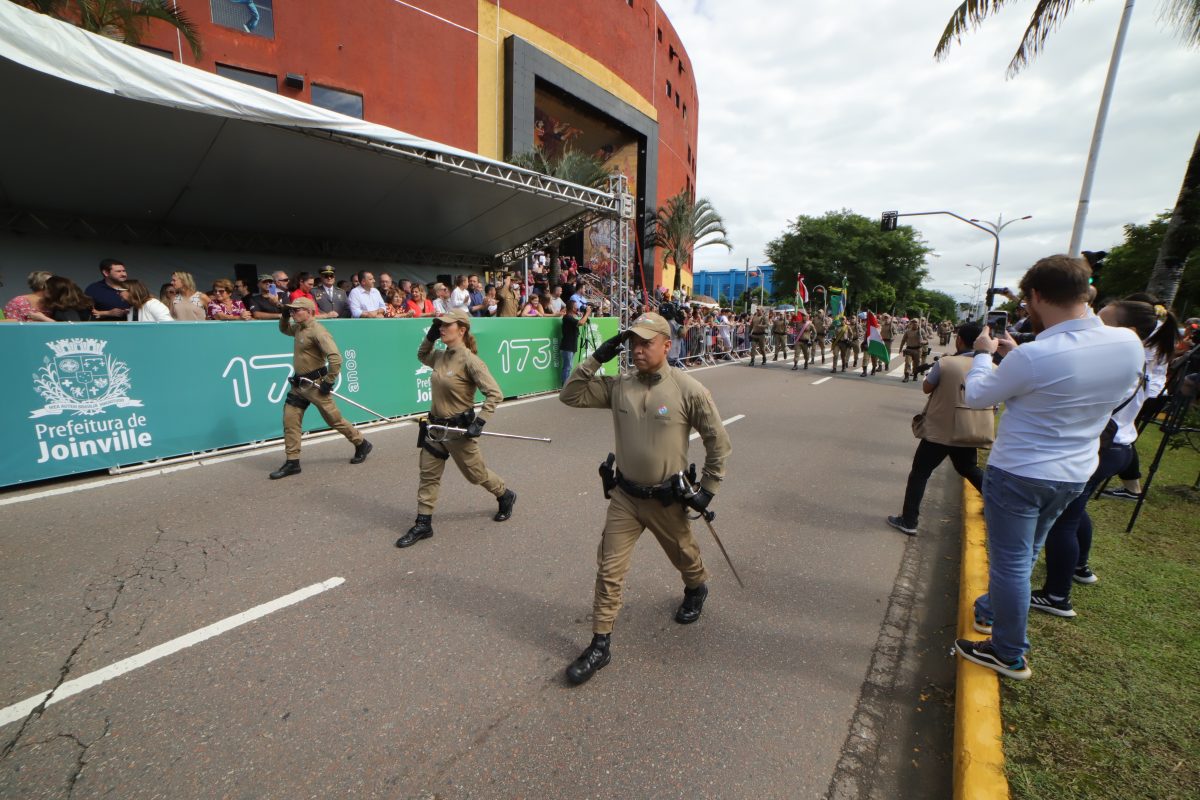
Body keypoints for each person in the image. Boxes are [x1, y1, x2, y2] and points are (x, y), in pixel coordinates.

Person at [954, 255, 1143, 681]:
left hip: (1021, 471)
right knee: (1029, 549)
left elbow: (979, 395)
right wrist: (1020, 357)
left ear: (1036, 296)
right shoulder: (1127, 343)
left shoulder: (1037, 356)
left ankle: (1007, 652)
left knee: (1012, 563)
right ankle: (989, 610)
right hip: (1075, 471)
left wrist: (984, 355)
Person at [558, 312, 732, 685]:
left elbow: (719, 442)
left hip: (668, 500)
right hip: (625, 497)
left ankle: (696, 586)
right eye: (632, 342)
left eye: (646, 343)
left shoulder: (690, 390)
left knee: (685, 557)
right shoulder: (620, 385)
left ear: (667, 346)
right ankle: (600, 643)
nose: (636, 349)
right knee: (609, 569)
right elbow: (569, 395)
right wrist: (596, 357)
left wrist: (707, 490)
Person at [1034, 300, 1177, 616]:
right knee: (1076, 509)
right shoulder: (1139, 359)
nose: (1094, 324)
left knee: (1063, 521)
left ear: (1130, 331)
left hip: (1104, 446)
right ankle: (1080, 566)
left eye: (1102, 320)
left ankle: (1057, 595)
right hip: (1118, 446)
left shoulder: (1118, 360)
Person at [396, 309, 516, 548]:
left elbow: (495, 394)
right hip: (435, 429)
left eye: (446, 325)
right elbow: (422, 355)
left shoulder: (470, 360)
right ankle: (423, 523)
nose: (441, 328)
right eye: (439, 325)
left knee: (476, 475)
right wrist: (429, 337)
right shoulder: (440, 355)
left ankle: (505, 494)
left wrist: (479, 422)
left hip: (459, 432)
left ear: (461, 330)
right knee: (428, 475)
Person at [887, 322, 989, 535]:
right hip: (968, 430)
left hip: (939, 432)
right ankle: (999, 506)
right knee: (969, 469)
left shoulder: (946, 364)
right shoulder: (992, 368)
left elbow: (927, 387)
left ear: (959, 340)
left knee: (920, 473)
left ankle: (909, 520)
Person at [269, 298, 372, 479]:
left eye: (297, 310)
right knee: (290, 421)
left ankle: (361, 443)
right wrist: (284, 316)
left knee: (334, 420)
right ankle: (292, 462)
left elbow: (335, 358)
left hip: (316, 386)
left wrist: (328, 382)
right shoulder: (299, 328)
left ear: (309, 311)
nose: (293, 313)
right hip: (299, 386)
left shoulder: (319, 332)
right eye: (291, 311)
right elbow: (284, 329)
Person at [1103, 295, 1180, 500]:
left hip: (1147, 392)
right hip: (1150, 390)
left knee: (1118, 434)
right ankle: (1132, 486)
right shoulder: (1159, 330)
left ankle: (1133, 487)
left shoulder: (1143, 337)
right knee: (1122, 434)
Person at [560, 299, 590, 386]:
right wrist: (587, 313)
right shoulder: (567, 317)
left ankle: (566, 384)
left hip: (571, 346)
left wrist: (584, 314)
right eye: (576, 307)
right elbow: (581, 323)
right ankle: (565, 386)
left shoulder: (571, 317)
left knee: (569, 367)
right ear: (572, 308)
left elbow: (580, 322)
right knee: (567, 367)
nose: (578, 308)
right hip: (567, 346)